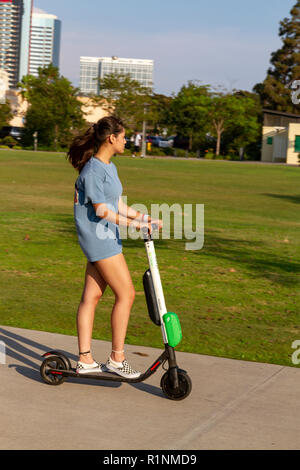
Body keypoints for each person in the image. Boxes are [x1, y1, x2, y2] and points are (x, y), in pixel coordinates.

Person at [67, 116, 163, 378]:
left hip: (104, 237)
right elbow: (101, 211)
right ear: (111, 138)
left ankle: (85, 359)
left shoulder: (108, 167)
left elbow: (117, 205)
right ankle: (117, 359)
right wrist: (134, 227)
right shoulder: (94, 171)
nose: (126, 141)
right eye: (123, 137)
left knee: (92, 297)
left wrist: (144, 218)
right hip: (100, 239)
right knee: (127, 294)